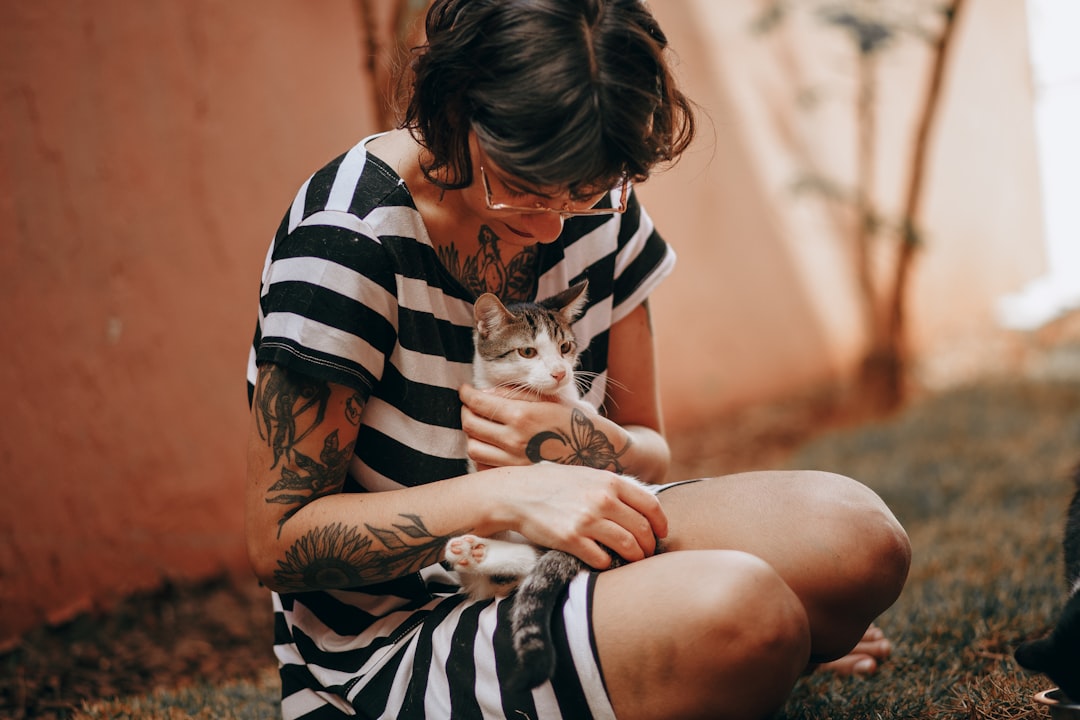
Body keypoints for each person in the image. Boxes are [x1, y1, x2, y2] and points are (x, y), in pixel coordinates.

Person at [244, 1, 911, 718]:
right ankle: (713, 645)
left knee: (858, 538)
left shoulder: (596, 200)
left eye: (588, 192)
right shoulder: (347, 241)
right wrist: (508, 493)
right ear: (456, 110)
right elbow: (279, 541)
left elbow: (648, 455)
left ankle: (687, 648)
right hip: (400, 633)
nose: (550, 225)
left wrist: (586, 442)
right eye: (522, 188)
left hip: (566, 563)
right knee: (747, 614)